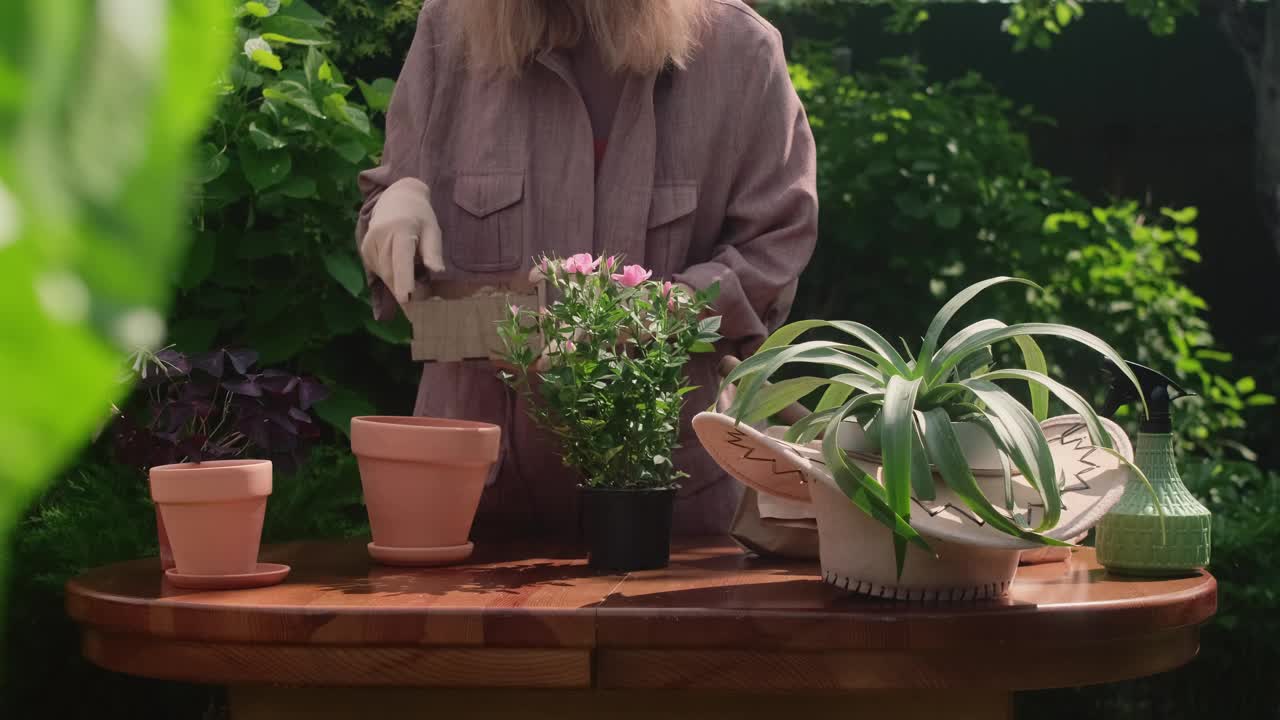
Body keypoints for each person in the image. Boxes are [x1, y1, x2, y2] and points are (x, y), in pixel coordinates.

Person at [357, 0, 817, 539]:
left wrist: (645, 318)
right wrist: (395, 201)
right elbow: (398, 238)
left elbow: (773, 250)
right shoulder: (450, 29)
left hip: (664, 498)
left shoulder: (739, 49)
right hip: (468, 493)